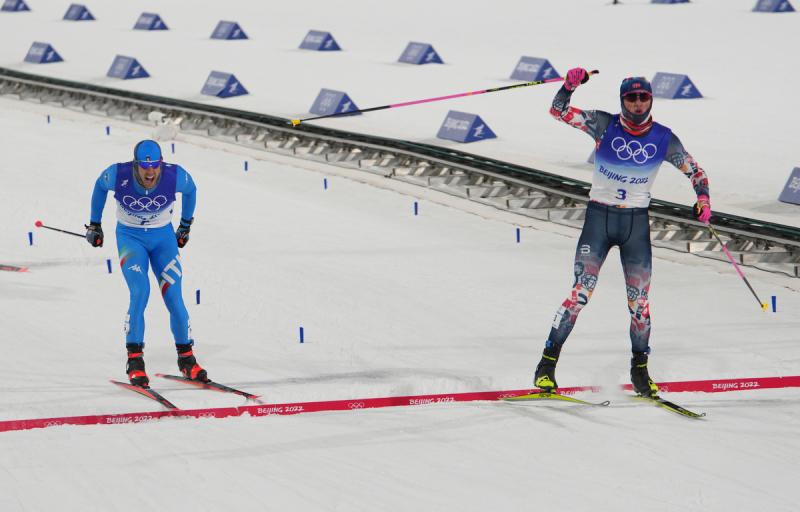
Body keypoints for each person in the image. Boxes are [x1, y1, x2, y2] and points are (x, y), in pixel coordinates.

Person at [534, 69, 711, 397]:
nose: (638, 102)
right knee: (579, 295)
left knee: (639, 305)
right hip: (598, 222)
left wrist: (703, 198)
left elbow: (696, 171)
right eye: (632, 97)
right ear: (622, 100)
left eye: (644, 96)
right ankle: (546, 365)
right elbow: (558, 110)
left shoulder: (664, 137)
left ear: (651, 99)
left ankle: (640, 370)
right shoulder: (603, 123)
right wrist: (570, 85)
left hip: (635, 227)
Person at [86, 139, 208, 388]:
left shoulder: (175, 176)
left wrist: (185, 226)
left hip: (163, 239)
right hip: (131, 239)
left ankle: (187, 359)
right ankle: (135, 361)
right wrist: (94, 224)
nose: (150, 172)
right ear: (136, 165)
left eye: (154, 166)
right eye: (144, 167)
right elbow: (99, 186)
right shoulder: (117, 174)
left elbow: (192, 190)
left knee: (174, 297)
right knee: (141, 292)